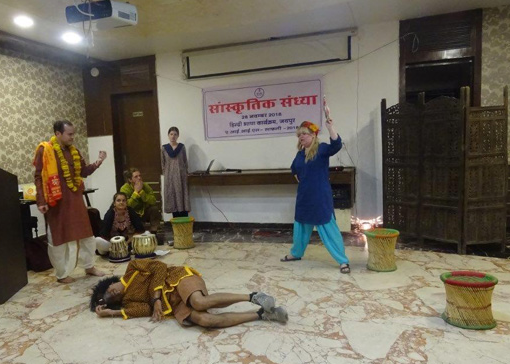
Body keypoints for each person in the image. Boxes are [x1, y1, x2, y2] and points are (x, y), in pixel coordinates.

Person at [90, 259, 289, 327]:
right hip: (174, 305)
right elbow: (143, 309)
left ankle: (254, 296)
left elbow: (159, 267)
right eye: (114, 297)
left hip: (176, 279)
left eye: (109, 289)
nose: (114, 292)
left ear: (110, 283)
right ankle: (262, 315)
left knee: (199, 303)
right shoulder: (129, 302)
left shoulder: (133, 268)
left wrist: (156, 297)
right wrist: (112, 313)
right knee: (206, 321)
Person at [34, 120, 106, 283]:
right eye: (70, 134)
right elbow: (38, 177)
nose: (73, 137)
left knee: (86, 234)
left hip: (75, 199)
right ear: (58, 134)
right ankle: (62, 274)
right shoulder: (45, 151)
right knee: (60, 238)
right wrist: (41, 201)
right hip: (57, 202)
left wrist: (99, 161)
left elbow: (83, 171)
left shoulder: (74, 151)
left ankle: (89, 266)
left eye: (74, 133)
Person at [281, 118, 351, 274]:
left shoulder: (322, 149)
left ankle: (342, 260)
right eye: (299, 135)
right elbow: (294, 169)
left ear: (313, 135)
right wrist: (298, 177)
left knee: (327, 226)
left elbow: (337, 145)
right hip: (304, 196)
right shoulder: (300, 154)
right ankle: (296, 253)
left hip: (320, 196)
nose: (301, 137)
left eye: (304, 134)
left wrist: (330, 127)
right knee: (300, 227)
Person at [120, 168, 163, 244]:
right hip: (133, 215)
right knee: (126, 212)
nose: (139, 178)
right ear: (130, 180)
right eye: (136, 177)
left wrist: (142, 192)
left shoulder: (145, 186)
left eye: (140, 176)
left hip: (144, 212)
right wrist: (136, 193)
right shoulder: (124, 189)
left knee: (154, 208)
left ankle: (154, 232)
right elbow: (127, 205)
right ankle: (130, 235)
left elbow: (153, 200)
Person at [161, 127, 191, 218]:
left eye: (175, 134)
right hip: (170, 177)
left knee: (182, 196)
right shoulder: (164, 148)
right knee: (173, 196)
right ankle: (176, 221)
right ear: (168, 135)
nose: (173, 136)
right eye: (171, 134)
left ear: (178, 136)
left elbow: (185, 161)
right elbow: (162, 163)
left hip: (181, 176)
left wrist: (184, 173)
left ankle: (185, 222)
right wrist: (167, 173)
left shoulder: (181, 147)